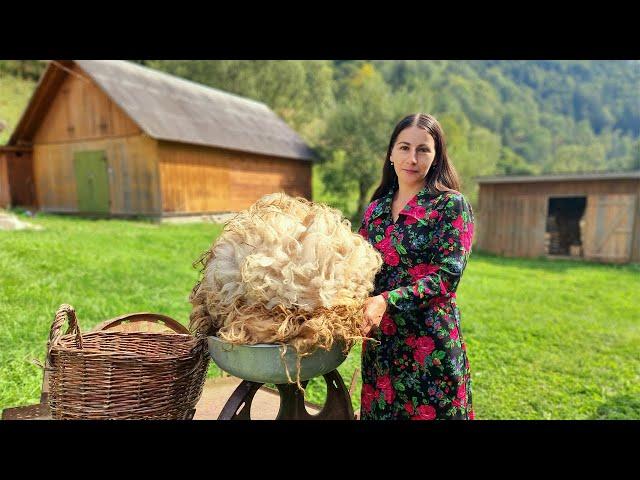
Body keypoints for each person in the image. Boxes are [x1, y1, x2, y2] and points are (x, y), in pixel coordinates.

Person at [357, 113, 475, 420]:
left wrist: (386, 300)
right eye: (404, 147)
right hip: (381, 348)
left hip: (429, 347)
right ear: (391, 153)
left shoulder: (450, 205)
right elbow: (355, 266)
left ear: (436, 157)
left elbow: (447, 277)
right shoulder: (377, 209)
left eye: (423, 149)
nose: (413, 158)